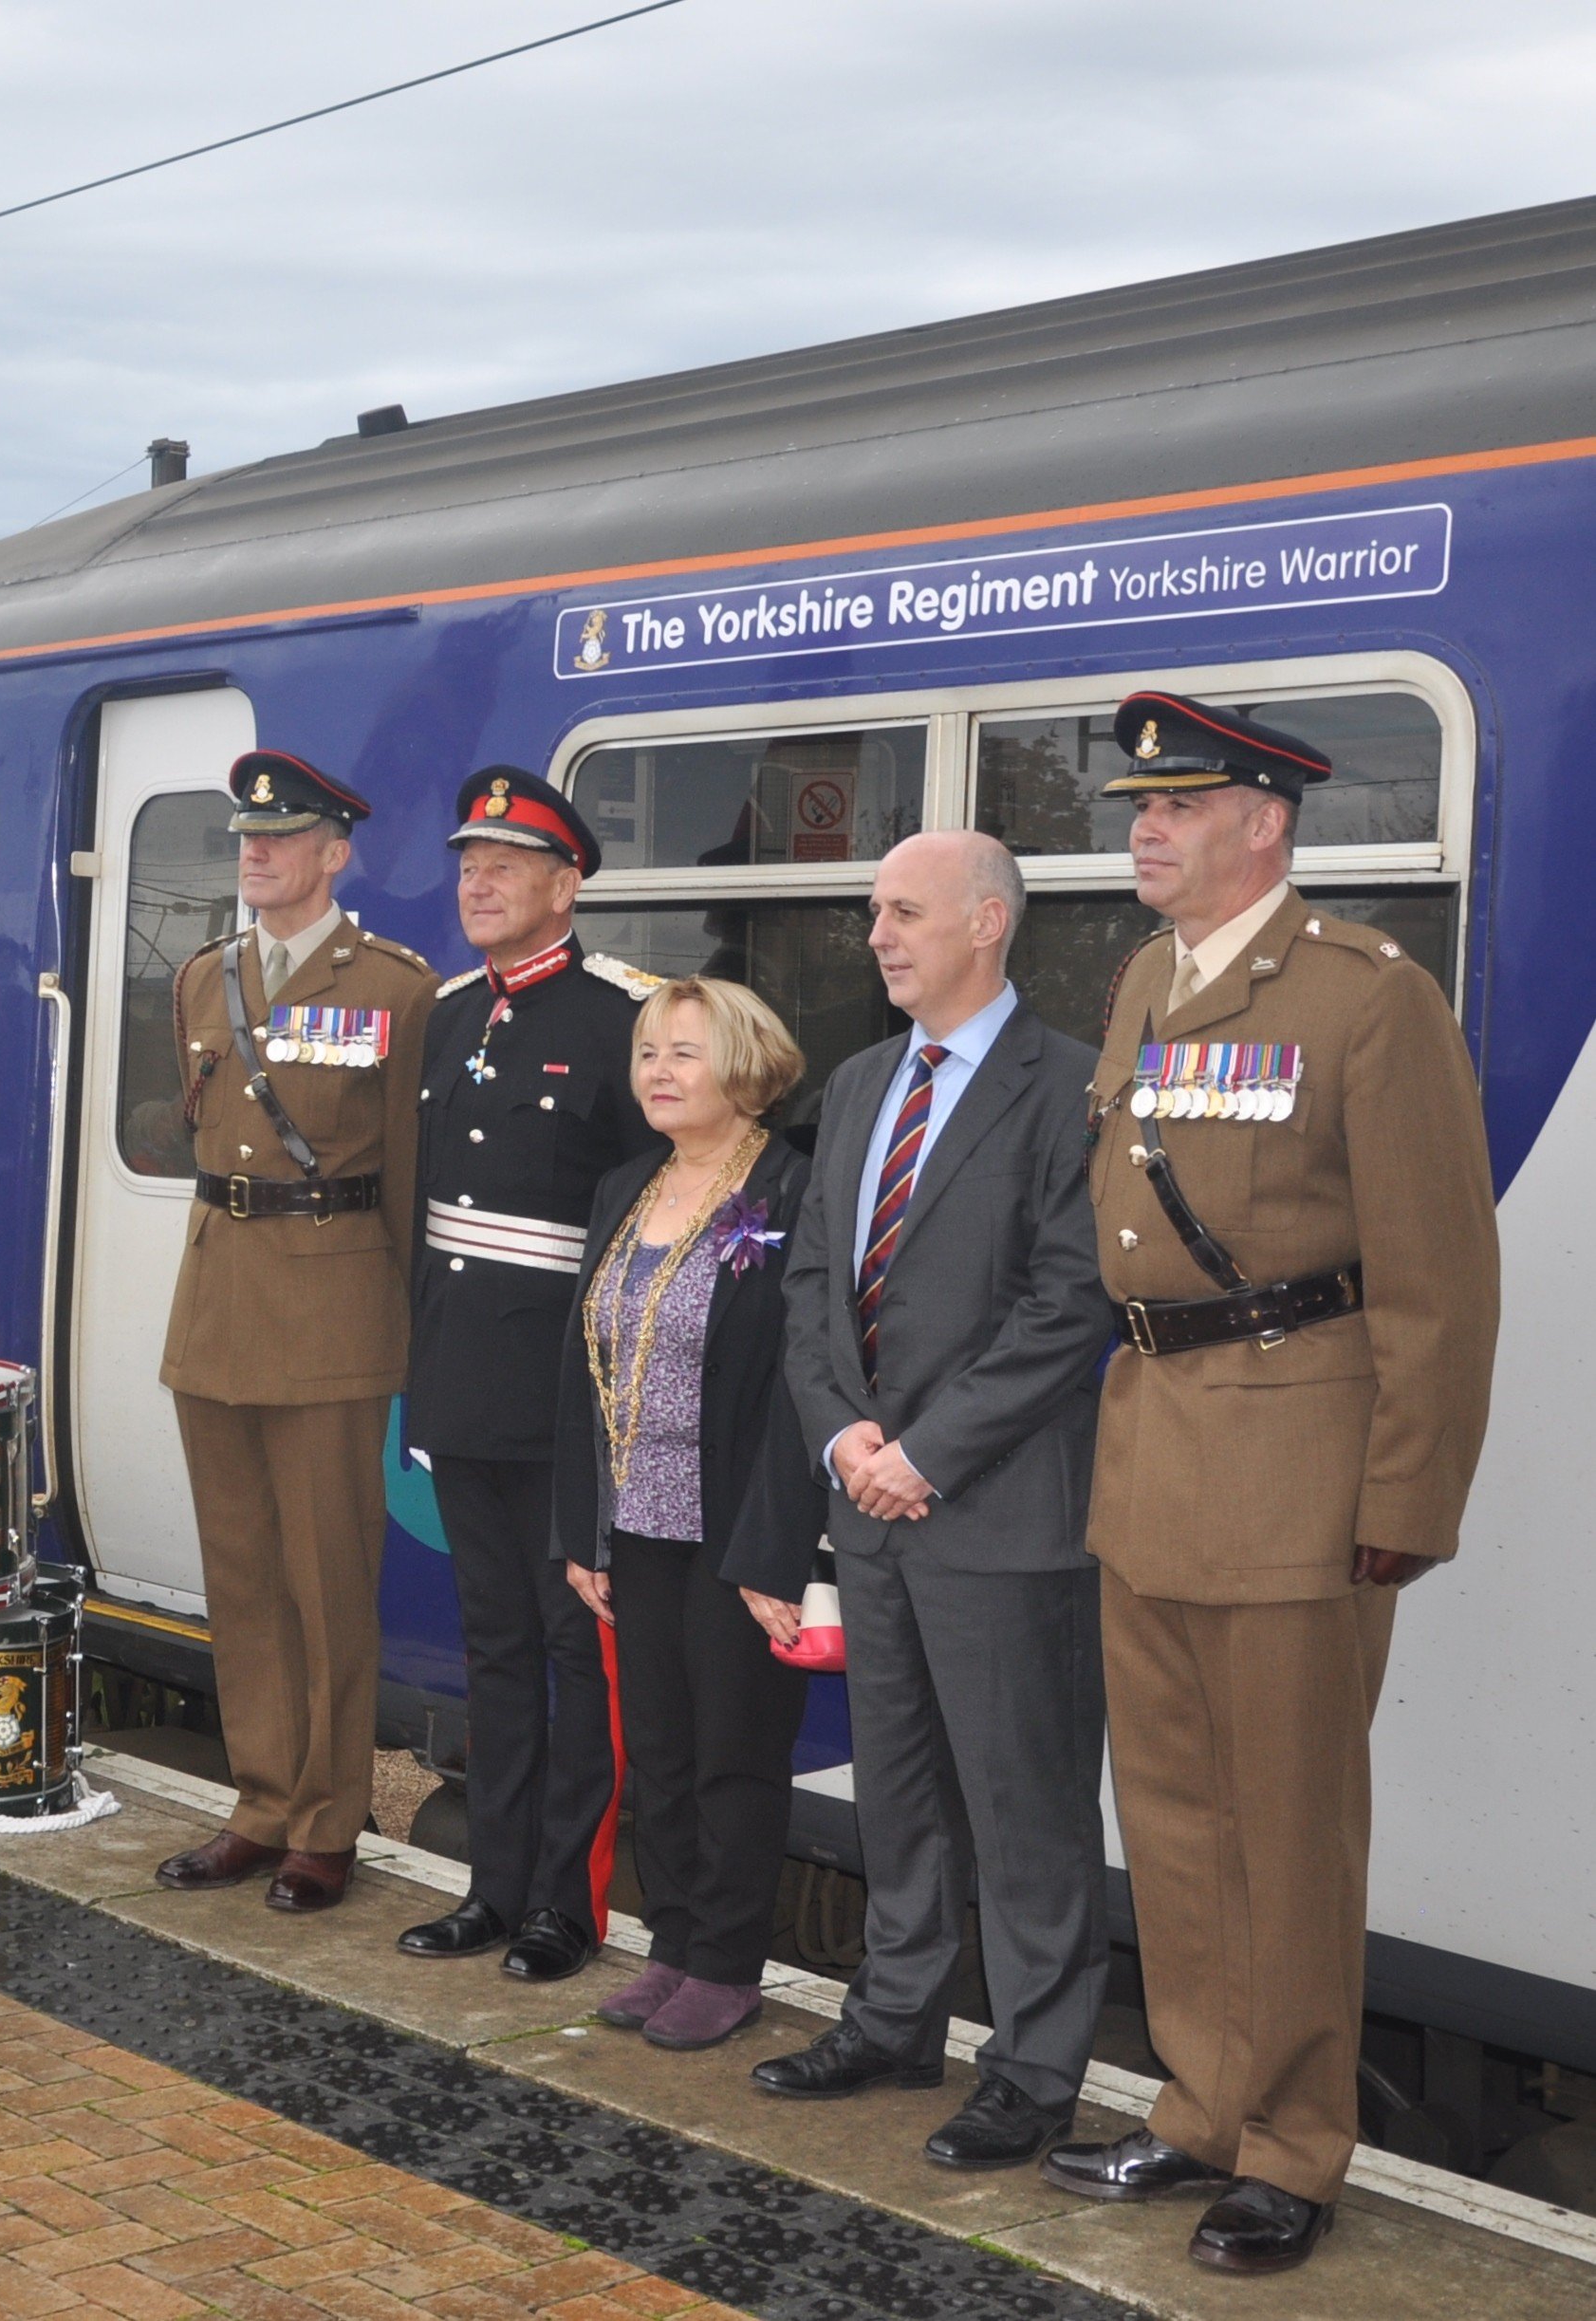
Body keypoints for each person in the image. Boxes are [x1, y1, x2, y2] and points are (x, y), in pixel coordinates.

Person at [1040, 694, 1500, 2275]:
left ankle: (1295, 2146)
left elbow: (1441, 1278)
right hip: (1157, 1442)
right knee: (1170, 1813)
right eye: (1137, 810)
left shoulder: (1367, 997)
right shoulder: (1144, 986)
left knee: (1290, 1823)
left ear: (1265, 823)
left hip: (1303, 1460)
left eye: (1177, 807)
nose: (1144, 831)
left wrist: (1405, 1502)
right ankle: (1201, 2105)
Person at [764, 831, 1116, 2166]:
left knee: (1024, 1804)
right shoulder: (860, 1082)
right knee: (899, 1787)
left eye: (902, 912)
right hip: (869, 1501)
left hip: (1002, 1512)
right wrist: (847, 1437)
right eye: (871, 912)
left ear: (986, 923)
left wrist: (927, 1450)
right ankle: (897, 2012)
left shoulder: (1069, 1087)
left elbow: (1065, 1302)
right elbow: (810, 1287)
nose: (876, 935)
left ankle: (1032, 2069)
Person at [153, 749, 436, 1915]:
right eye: (244, 837)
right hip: (216, 1301)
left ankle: (328, 1822)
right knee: (242, 1577)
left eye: (282, 836)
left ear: (335, 852)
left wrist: (417, 1335)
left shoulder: (396, 988)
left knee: (327, 1580)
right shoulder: (200, 978)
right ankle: (259, 1804)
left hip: (332, 1311)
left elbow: (409, 1183)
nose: (255, 852)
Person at [397, 766, 659, 1977]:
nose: (478, 880)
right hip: (460, 1390)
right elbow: (425, 1227)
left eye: (506, 864)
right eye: (467, 862)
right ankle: (491, 1888)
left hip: (571, 1406)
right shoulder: (449, 1016)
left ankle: (568, 1903)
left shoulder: (622, 1023)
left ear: (566, 885)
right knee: (490, 1648)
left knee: (574, 1657)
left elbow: (653, 1226)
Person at [554, 977, 818, 2051]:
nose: (656, 1072)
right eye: (647, 1052)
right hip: (634, 1524)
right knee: (656, 1750)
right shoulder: (625, 1181)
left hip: (733, 1530)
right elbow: (574, 1368)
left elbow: (805, 1382)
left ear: (745, 1067)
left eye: (683, 1053)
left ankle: (724, 1963)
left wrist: (774, 1548)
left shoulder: (793, 1191)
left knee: (732, 1755)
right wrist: (582, 1530)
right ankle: (669, 1942)